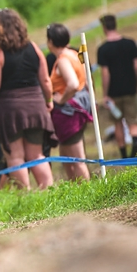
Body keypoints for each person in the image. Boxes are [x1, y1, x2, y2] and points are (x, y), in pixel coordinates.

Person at [0, 8, 55, 190]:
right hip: (35, 107)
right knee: (37, 155)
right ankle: (49, 191)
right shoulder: (34, 48)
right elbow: (45, 80)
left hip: (10, 110)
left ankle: (25, 195)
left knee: (15, 157)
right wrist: (48, 101)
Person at [46, 23, 92, 181]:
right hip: (78, 107)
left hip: (69, 112)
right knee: (66, 155)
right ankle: (75, 187)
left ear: (51, 41)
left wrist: (62, 99)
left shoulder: (63, 60)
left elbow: (72, 83)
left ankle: (86, 189)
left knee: (77, 158)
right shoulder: (74, 53)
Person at [97, 14, 137, 158]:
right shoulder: (130, 43)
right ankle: (135, 149)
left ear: (104, 28)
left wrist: (105, 94)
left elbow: (105, 74)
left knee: (118, 123)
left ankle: (124, 155)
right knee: (133, 122)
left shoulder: (103, 49)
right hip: (130, 89)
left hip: (114, 93)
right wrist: (136, 83)